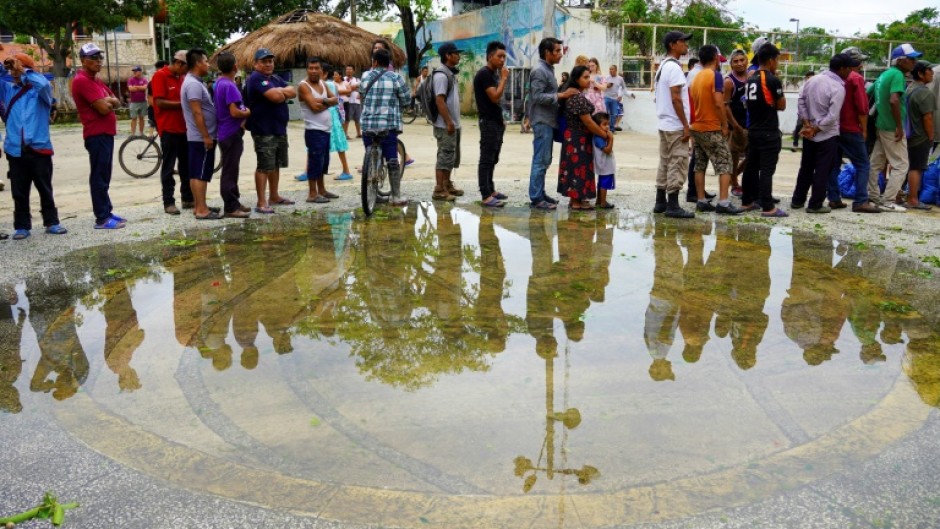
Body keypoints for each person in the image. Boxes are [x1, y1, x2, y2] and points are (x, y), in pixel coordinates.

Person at [0, 50, 66, 239]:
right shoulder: (7, 90)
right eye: (13, 69)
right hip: (15, 150)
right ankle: (22, 226)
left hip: (39, 148)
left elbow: (44, 84)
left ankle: (52, 221)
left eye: (18, 67)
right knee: (19, 191)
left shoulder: (40, 93)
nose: (14, 72)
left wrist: (25, 71)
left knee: (45, 187)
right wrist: (6, 65)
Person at [71, 43, 125, 229]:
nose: (98, 61)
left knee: (105, 174)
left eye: (100, 57)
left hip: (106, 133)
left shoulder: (96, 80)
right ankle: (101, 217)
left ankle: (107, 211)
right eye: (93, 58)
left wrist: (108, 100)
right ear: (83, 61)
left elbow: (117, 102)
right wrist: (106, 101)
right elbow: (103, 108)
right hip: (96, 134)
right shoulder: (82, 80)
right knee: (99, 175)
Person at [792, 54, 852, 214]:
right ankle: (815, 203)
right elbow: (832, 116)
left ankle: (797, 200)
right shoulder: (838, 87)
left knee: (806, 167)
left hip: (809, 131)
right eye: (849, 69)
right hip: (826, 134)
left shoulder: (813, 80)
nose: (850, 72)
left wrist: (806, 123)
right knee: (823, 169)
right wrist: (817, 128)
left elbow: (801, 100)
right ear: (841, 69)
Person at [689, 45, 744, 215]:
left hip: (697, 126)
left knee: (700, 164)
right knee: (726, 163)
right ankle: (724, 202)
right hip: (711, 126)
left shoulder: (696, 77)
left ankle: (701, 200)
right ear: (714, 58)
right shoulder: (716, 76)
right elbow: (719, 103)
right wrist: (725, 125)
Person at [868, 43, 922, 212]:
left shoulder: (884, 75)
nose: (915, 62)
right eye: (911, 59)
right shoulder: (897, 75)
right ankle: (888, 200)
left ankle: (873, 196)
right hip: (892, 128)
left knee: (875, 163)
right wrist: (899, 126)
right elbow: (894, 100)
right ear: (900, 61)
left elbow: (868, 93)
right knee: (901, 165)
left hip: (881, 125)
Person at [528, 37, 580, 210]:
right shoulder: (539, 71)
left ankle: (540, 193)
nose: (560, 54)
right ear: (547, 52)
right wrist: (561, 96)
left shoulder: (548, 69)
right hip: (542, 121)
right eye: (557, 51)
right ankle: (536, 197)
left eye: (560, 50)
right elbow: (537, 97)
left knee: (545, 160)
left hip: (549, 121)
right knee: (540, 160)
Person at [245, 48, 297, 214]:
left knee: (275, 164)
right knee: (264, 165)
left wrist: (280, 91)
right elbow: (276, 97)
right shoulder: (256, 78)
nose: (268, 64)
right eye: (264, 61)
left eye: (270, 61)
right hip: (263, 129)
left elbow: (293, 92)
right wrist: (282, 92)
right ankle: (261, 202)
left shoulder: (274, 78)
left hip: (278, 128)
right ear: (256, 64)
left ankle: (274, 196)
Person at [359, 48, 411, 205]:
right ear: (388, 63)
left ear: (374, 62)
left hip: (367, 125)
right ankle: (395, 196)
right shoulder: (396, 78)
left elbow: (362, 93)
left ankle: (373, 185)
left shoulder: (365, 76)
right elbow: (406, 100)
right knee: (392, 160)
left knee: (372, 155)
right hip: (387, 126)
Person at [741, 43, 787, 218]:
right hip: (768, 130)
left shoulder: (750, 78)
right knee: (767, 170)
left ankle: (747, 201)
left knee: (751, 167)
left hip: (753, 129)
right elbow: (781, 105)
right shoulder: (772, 79)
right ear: (770, 60)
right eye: (777, 60)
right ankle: (768, 206)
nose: (778, 64)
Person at [831, 47, 879, 213]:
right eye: (859, 61)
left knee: (834, 164)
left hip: (834, 127)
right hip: (851, 127)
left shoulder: (834, 77)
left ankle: (834, 198)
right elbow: (862, 107)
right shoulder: (855, 78)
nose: (861, 64)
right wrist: (864, 129)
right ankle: (860, 201)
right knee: (863, 164)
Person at [653, 31, 695, 218]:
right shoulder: (675, 68)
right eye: (682, 41)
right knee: (678, 162)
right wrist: (686, 125)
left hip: (664, 123)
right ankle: (673, 205)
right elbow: (676, 98)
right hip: (675, 124)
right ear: (673, 45)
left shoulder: (663, 66)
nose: (686, 45)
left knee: (665, 162)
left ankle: (660, 201)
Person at [558, 65, 608, 210]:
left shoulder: (577, 95)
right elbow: (588, 121)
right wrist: (603, 133)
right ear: (576, 79)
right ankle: (576, 202)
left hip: (577, 137)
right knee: (577, 167)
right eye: (585, 77)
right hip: (576, 138)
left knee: (578, 167)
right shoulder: (576, 98)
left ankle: (577, 198)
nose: (588, 80)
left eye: (589, 76)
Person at [180, 48, 219, 220]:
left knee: (197, 172)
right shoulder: (193, 84)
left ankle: (199, 206)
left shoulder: (194, 81)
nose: (208, 64)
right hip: (200, 137)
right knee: (201, 173)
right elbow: (197, 113)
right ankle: (202, 210)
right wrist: (206, 136)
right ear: (197, 63)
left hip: (198, 136)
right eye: (206, 61)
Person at [151, 50, 192, 215]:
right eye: (186, 68)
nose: (186, 72)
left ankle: (188, 198)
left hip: (184, 129)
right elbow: (159, 102)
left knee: (185, 166)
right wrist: (183, 104)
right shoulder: (160, 76)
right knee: (168, 167)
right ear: (179, 64)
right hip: (168, 129)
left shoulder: (182, 78)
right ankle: (168, 202)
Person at [213, 51, 251, 219]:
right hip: (230, 132)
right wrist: (247, 112)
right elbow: (234, 112)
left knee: (231, 168)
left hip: (225, 131)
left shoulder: (219, 83)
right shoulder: (229, 86)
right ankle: (230, 205)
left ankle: (234, 201)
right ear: (235, 67)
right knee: (230, 170)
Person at [297, 57, 339, 204]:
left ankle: (322, 190)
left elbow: (336, 99)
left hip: (326, 130)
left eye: (316, 68)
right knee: (315, 161)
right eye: (311, 68)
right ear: (307, 69)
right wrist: (328, 102)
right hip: (313, 130)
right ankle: (312, 193)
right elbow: (314, 108)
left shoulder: (322, 83)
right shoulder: (303, 86)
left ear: (322, 70)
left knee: (323, 162)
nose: (314, 71)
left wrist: (324, 101)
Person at [474, 40, 510, 207]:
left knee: (493, 157)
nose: (502, 60)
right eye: (499, 56)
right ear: (490, 56)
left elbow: (496, 102)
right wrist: (503, 79)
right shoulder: (484, 74)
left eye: (504, 56)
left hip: (495, 121)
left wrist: (501, 119)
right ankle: (485, 194)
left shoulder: (493, 74)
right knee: (486, 158)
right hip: (487, 122)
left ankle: (491, 189)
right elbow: (495, 96)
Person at [430, 42, 464, 201]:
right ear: (447, 56)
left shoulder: (450, 74)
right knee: (444, 156)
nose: (458, 56)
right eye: (456, 53)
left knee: (451, 156)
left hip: (453, 124)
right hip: (446, 125)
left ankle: (447, 184)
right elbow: (439, 101)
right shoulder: (441, 75)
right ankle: (439, 189)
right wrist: (449, 122)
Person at [904, 60, 936, 210]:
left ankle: (901, 195)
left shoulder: (909, 88)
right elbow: (927, 117)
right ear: (921, 73)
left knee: (907, 166)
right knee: (917, 167)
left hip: (908, 134)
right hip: (920, 136)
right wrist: (931, 135)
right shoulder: (924, 93)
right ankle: (913, 199)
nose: (933, 73)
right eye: (929, 70)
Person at [724, 49, 749, 196]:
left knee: (752, 156)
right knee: (733, 157)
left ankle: (734, 178)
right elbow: (725, 105)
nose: (739, 64)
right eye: (736, 61)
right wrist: (735, 125)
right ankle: (734, 184)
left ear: (747, 61)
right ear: (731, 64)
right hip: (736, 127)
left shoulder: (751, 77)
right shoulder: (729, 82)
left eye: (742, 60)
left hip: (750, 124)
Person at [327, 68, 354, 180]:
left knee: (337, 140)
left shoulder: (328, 85)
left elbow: (339, 95)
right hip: (334, 112)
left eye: (336, 74)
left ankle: (311, 171)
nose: (335, 76)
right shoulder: (330, 84)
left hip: (334, 113)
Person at [592, 112, 616, 208]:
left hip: (603, 164)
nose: (607, 127)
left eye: (608, 124)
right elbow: (607, 150)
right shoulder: (599, 138)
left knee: (601, 182)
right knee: (604, 183)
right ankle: (603, 202)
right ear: (597, 126)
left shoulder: (599, 136)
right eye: (604, 124)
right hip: (604, 164)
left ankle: (599, 201)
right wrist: (611, 139)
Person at [791, 70, 815, 151]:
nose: (809, 79)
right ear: (806, 78)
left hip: (813, 113)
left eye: (811, 77)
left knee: (812, 129)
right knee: (798, 127)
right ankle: (795, 144)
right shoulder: (803, 88)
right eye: (808, 77)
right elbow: (801, 102)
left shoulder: (817, 87)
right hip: (803, 113)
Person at [127, 66, 148, 136]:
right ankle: (133, 133)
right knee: (133, 118)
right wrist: (140, 87)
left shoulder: (144, 79)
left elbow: (145, 88)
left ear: (140, 72)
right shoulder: (130, 80)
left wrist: (136, 87)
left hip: (143, 101)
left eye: (136, 71)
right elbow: (130, 89)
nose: (134, 72)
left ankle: (141, 133)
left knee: (142, 118)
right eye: (134, 71)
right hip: (134, 102)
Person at [604, 65, 626, 132]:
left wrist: (620, 95)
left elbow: (623, 88)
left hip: (614, 99)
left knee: (614, 114)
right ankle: (605, 128)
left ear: (616, 70)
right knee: (605, 114)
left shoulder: (620, 79)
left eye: (612, 69)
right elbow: (602, 86)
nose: (610, 71)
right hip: (606, 97)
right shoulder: (606, 78)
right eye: (610, 69)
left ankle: (612, 129)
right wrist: (607, 86)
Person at [344, 66, 362, 138]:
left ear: (353, 71)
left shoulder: (357, 80)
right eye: (347, 69)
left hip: (357, 102)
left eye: (350, 69)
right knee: (347, 119)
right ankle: (345, 134)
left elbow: (361, 89)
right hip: (348, 102)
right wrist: (354, 87)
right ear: (345, 71)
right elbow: (345, 89)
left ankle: (358, 133)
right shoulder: (343, 79)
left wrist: (351, 88)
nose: (348, 71)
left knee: (357, 119)